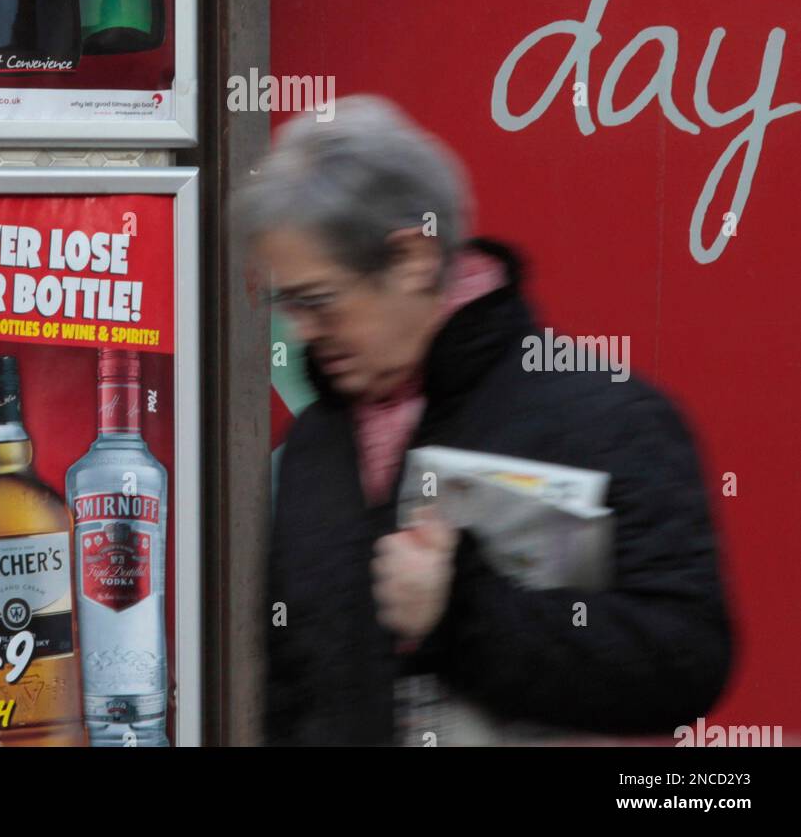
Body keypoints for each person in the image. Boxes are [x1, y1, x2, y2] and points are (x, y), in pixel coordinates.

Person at [238, 96, 733, 746]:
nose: (300, 330)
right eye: (287, 304)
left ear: (412, 259)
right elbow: (292, 690)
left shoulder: (608, 420)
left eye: (318, 301)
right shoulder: (315, 442)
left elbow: (684, 665)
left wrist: (465, 612)